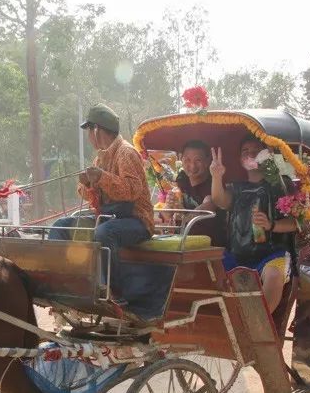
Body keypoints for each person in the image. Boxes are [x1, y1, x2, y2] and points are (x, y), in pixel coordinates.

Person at [48, 103, 154, 302]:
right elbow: (92, 197)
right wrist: (86, 185)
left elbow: (131, 191)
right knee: (60, 226)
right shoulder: (100, 158)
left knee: (104, 233)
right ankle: (63, 283)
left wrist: (101, 177)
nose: (89, 138)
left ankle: (114, 293)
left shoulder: (126, 153)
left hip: (136, 220)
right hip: (107, 217)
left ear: (96, 130)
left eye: (89, 131)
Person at [210, 137, 297, 314]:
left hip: (272, 254)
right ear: (240, 159)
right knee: (209, 270)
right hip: (237, 253)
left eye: (256, 150)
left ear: (267, 155)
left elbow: (298, 223)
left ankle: (257, 322)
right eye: (245, 151)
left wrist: (272, 225)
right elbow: (220, 200)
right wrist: (216, 176)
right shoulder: (236, 187)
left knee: (273, 276)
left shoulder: (282, 185)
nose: (250, 155)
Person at [174, 139, 227, 246]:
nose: (192, 166)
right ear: (181, 159)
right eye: (187, 160)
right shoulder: (181, 180)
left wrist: (184, 216)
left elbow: (210, 203)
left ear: (208, 161)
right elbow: (168, 214)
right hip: (181, 243)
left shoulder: (214, 183)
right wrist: (170, 206)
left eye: (198, 160)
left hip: (210, 247)